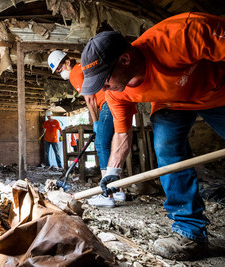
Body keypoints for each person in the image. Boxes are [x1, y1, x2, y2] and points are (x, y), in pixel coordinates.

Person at [80, 12, 225, 261]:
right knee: (167, 148)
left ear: (125, 59)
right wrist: (113, 171)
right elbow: (122, 133)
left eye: (104, 81)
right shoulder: (117, 92)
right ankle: (189, 232)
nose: (103, 90)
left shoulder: (182, 34)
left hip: (218, 91)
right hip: (171, 104)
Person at [48, 50, 125, 207]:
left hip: (106, 104)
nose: (60, 73)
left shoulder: (76, 72)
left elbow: (90, 99)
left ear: (67, 62)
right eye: (57, 72)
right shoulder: (83, 68)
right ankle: (119, 191)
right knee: (112, 146)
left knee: (101, 145)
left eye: (60, 69)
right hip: (113, 101)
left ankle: (107, 194)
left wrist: (95, 122)